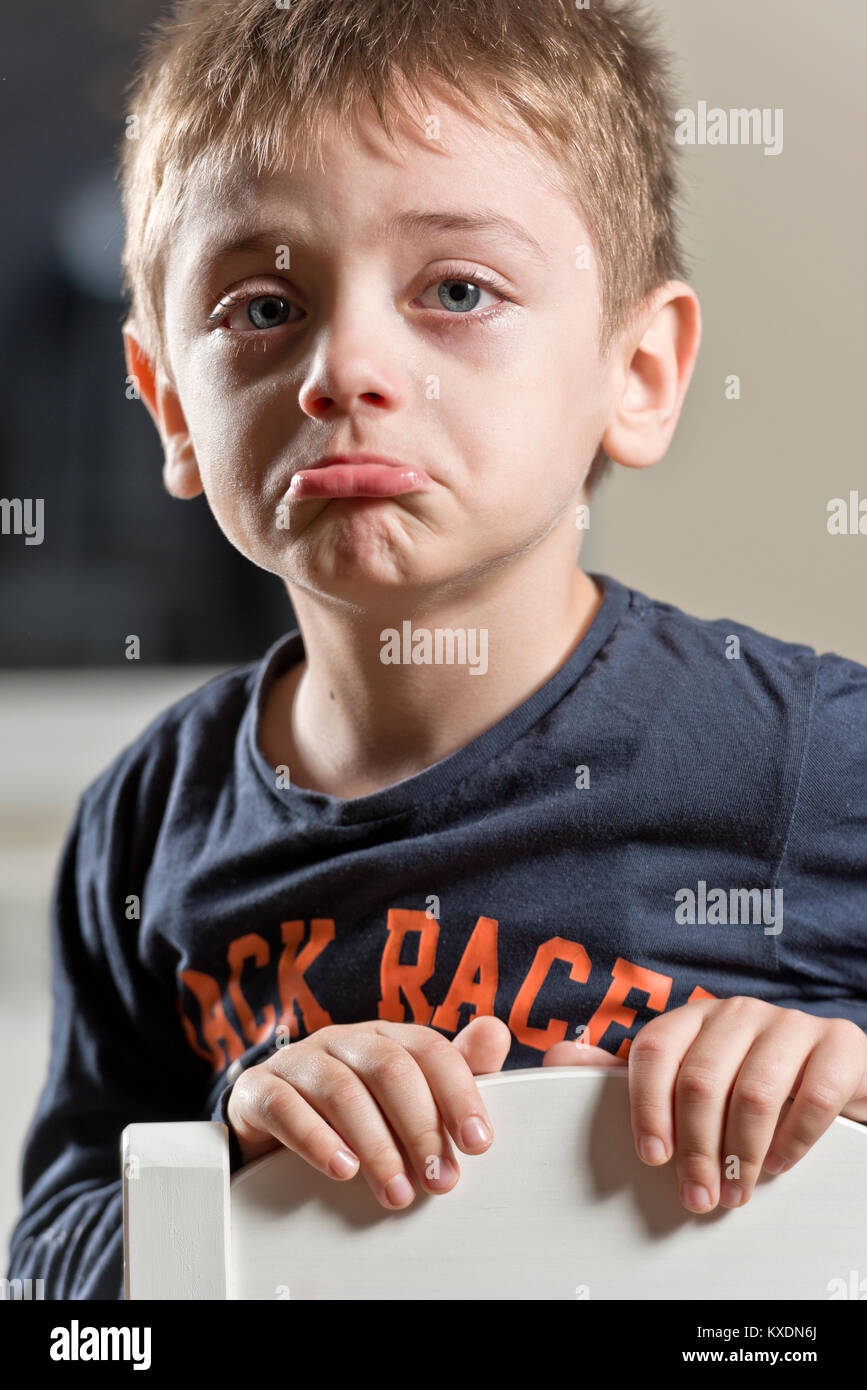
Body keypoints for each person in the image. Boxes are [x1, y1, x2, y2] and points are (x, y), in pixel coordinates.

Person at [8, 0, 866, 1300]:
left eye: (457, 290)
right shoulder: (144, 824)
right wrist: (220, 1164)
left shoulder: (817, 753)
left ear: (637, 370)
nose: (344, 365)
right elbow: (56, 1288)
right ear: (172, 405)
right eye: (263, 304)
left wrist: (849, 1080)